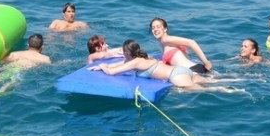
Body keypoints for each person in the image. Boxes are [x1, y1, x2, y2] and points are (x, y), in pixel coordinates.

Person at [88, 40, 225, 89]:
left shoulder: (135, 62)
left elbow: (113, 72)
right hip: (182, 70)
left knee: (209, 90)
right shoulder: (145, 57)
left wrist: (103, 67)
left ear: (127, 53)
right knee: (212, 82)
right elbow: (121, 64)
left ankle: (231, 91)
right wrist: (106, 66)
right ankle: (231, 85)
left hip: (176, 76)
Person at [0, 34, 50, 103]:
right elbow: (50, 67)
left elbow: (2, 62)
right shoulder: (44, 59)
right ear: (42, 47)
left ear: (28, 45)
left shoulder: (15, 54)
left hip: (9, 68)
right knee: (12, 82)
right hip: (20, 70)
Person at [149, 18, 213, 73]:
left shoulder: (166, 40)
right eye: (153, 28)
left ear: (165, 29)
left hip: (193, 71)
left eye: (158, 27)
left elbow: (191, 42)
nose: (155, 30)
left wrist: (206, 62)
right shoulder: (164, 43)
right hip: (196, 68)